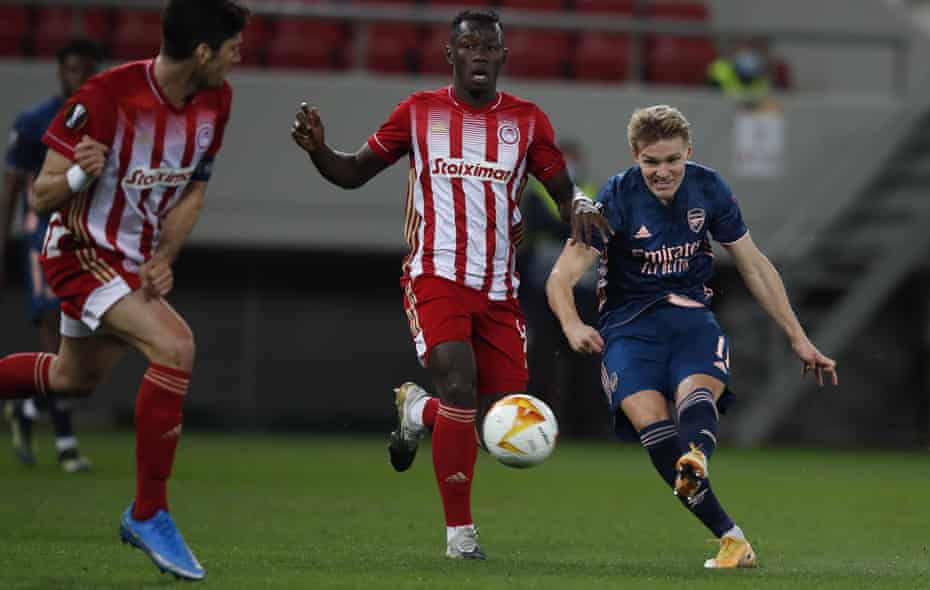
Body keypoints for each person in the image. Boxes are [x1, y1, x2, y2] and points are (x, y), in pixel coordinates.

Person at [291, 9, 607, 560]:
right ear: (451, 55)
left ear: (503, 58)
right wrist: (320, 149)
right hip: (434, 274)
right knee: (458, 385)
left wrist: (579, 202)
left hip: (499, 288)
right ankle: (460, 537)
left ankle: (417, 412)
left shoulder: (528, 122)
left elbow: (561, 190)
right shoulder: (418, 112)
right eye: (469, 46)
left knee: (495, 423)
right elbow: (352, 172)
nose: (479, 54)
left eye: (489, 47)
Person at [0, 0, 247, 580]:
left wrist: (164, 256)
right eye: (233, 46)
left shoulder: (218, 99)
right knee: (175, 346)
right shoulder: (106, 96)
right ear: (204, 52)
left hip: (131, 263)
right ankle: (148, 512)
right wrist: (84, 172)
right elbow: (41, 196)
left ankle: (146, 511)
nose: (240, 57)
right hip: (79, 252)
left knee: (73, 379)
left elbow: (193, 191)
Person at [546, 105, 838, 569]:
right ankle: (732, 538)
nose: (662, 172)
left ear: (689, 153)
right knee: (652, 424)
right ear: (635, 157)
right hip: (628, 328)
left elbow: (753, 264)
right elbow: (561, 277)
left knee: (694, 394)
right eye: (651, 162)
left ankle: (697, 455)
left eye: (672, 160)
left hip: (690, 321)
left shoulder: (710, 188)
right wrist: (572, 324)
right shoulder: (616, 199)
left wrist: (798, 337)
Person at [1, 39, 102, 473]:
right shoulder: (34, 122)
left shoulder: (104, 119)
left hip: (85, 239)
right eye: (68, 68)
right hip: (40, 237)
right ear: (59, 71)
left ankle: (25, 413)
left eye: (83, 69)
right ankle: (65, 443)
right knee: (54, 338)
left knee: (82, 358)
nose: (74, 77)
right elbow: (13, 186)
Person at [518, 140, 603, 436]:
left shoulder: (593, 193)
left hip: (584, 292)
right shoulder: (534, 194)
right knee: (541, 361)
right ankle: (535, 425)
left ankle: (585, 429)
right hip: (541, 292)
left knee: (586, 364)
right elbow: (535, 228)